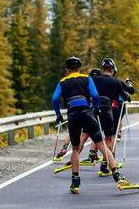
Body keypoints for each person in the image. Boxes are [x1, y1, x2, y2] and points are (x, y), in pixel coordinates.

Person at [51, 56, 129, 194]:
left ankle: (75, 182)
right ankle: (116, 174)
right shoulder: (87, 78)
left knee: (75, 148)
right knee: (102, 144)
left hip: (73, 116)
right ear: (79, 68)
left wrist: (58, 115)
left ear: (68, 70)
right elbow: (94, 94)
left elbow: (55, 99)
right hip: (87, 114)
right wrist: (97, 107)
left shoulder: (62, 82)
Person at [89, 58, 131, 176]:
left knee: (96, 136)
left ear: (103, 69)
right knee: (109, 138)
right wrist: (128, 89)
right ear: (113, 69)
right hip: (110, 111)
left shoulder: (94, 80)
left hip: (96, 110)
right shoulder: (116, 81)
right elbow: (126, 95)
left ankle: (89, 153)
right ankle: (105, 162)